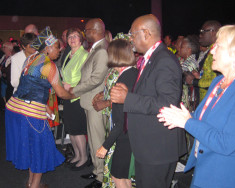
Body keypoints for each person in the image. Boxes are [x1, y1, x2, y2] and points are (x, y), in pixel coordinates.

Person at [158, 24, 235, 188]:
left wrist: (187, 122)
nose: (212, 51)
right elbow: (205, 120)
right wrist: (180, 116)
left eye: (218, 47)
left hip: (228, 178)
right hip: (206, 171)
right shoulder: (218, 82)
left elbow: (226, 143)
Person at [110, 14, 187, 188]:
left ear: (145, 33)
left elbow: (167, 103)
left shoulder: (164, 60)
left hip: (158, 147)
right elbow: (150, 92)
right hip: (149, 145)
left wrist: (127, 98)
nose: (130, 39)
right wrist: (129, 93)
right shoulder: (151, 58)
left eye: (132, 34)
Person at [5, 27, 73, 188]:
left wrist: (44, 106)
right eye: (57, 46)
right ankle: (34, 185)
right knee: (40, 149)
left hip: (14, 108)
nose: (60, 49)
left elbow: (29, 87)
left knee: (31, 148)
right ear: (48, 48)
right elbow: (62, 93)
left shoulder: (30, 58)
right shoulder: (50, 66)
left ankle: (31, 182)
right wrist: (76, 94)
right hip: (30, 113)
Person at [65, 18, 109, 188]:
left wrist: (74, 91)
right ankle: (97, 171)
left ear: (94, 30)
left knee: (98, 140)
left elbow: (96, 78)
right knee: (93, 139)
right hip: (90, 100)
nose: (85, 33)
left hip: (94, 102)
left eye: (86, 29)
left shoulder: (102, 50)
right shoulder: (96, 48)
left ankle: (101, 178)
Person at [94, 39, 137, 188]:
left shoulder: (124, 79)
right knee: (124, 178)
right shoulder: (133, 73)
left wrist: (105, 146)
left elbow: (121, 121)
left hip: (125, 137)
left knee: (118, 178)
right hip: (130, 135)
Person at [61, 28, 89, 170]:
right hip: (66, 96)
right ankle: (77, 155)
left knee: (77, 129)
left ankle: (84, 157)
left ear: (81, 39)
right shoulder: (69, 54)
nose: (72, 39)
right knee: (70, 129)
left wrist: (71, 87)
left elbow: (86, 79)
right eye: (70, 36)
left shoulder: (84, 55)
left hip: (76, 96)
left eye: (76, 36)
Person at [185, 20, 221, 104]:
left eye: (203, 32)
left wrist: (193, 81)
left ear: (213, 32)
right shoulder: (210, 51)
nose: (200, 35)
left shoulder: (218, 53)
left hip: (212, 103)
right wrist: (200, 76)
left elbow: (217, 82)